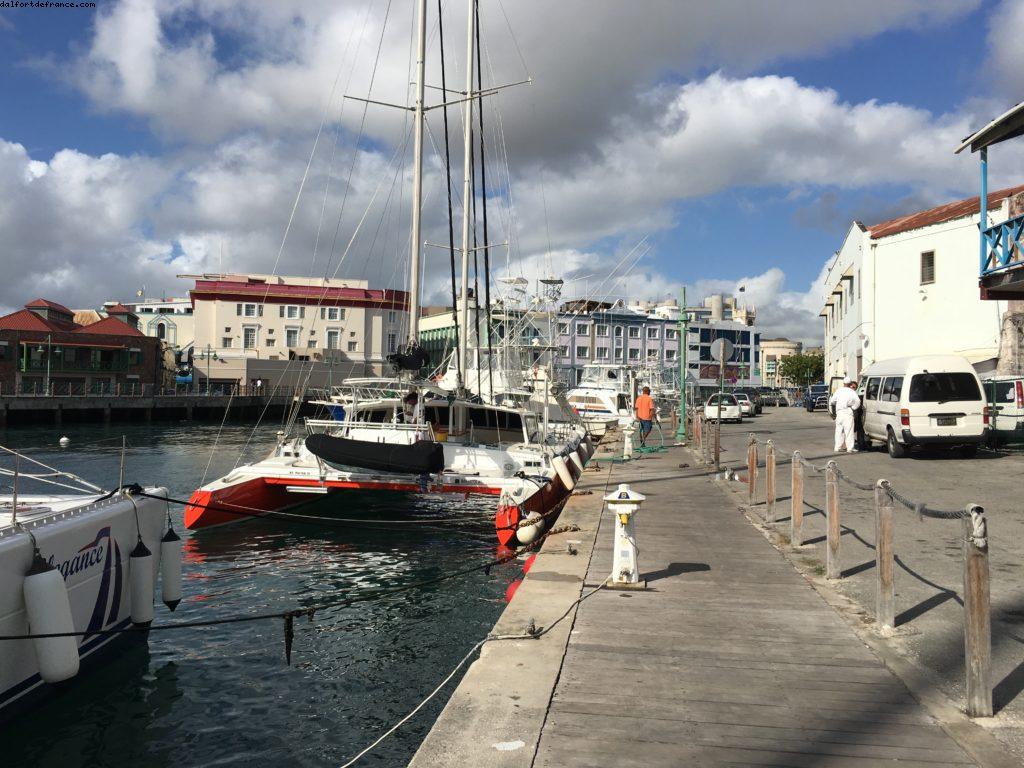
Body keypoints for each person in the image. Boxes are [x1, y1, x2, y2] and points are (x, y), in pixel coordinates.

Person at [828, 377, 861, 453]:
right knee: (849, 431)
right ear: (850, 384)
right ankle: (850, 448)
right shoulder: (852, 392)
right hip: (848, 412)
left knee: (839, 431)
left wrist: (838, 403)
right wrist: (853, 407)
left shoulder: (838, 391)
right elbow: (858, 401)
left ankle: (837, 447)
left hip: (839, 412)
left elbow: (832, 401)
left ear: (843, 383)